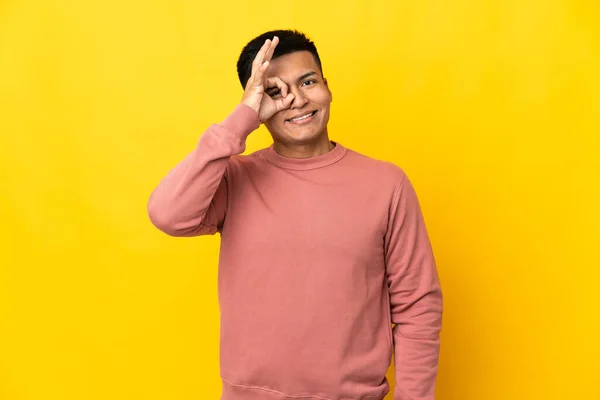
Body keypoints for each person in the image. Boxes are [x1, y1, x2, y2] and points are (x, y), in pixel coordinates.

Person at [147, 29, 443, 400]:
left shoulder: (387, 183)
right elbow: (167, 214)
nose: (298, 100)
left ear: (327, 86)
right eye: (275, 92)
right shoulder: (234, 178)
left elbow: (418, 305)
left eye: (308, 82)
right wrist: (240, 120)